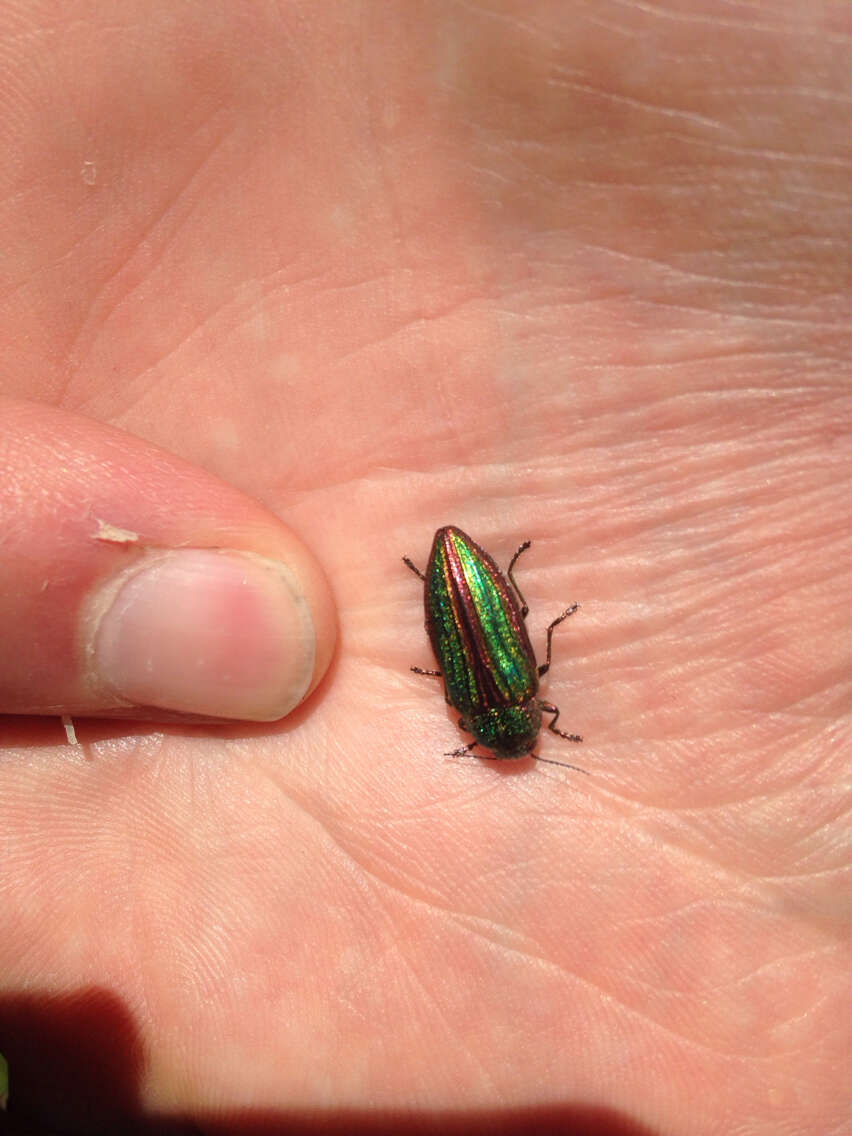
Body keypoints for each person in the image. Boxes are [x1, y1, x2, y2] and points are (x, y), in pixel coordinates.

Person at [0, 3, 848, 1133]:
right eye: (520, 731)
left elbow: (487, 642)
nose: (518, 724)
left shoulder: (500, 695)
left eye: (516, 730)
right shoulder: (498, 697)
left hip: (466, 574)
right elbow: (493, 637)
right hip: (473, 572)